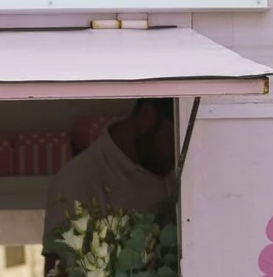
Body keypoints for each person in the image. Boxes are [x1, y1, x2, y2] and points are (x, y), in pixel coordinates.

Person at [42, 99, 178, 243]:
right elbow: (58, 261)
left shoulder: (173, 162)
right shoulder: (76, 181)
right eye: (171, 141)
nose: (177, 155)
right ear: (147, 115)